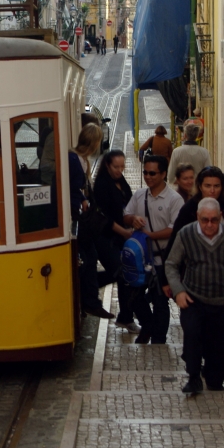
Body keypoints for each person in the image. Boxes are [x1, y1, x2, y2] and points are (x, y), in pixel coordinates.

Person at [166, 197, 224, 394]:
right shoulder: (186, 234)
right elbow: (171, 264)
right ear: (198, 217)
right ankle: (193, 377)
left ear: (221, 217)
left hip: (223, 301)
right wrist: (178, 291)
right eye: (205, 220)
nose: (209, 225)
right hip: (194, 298)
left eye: (214, 220)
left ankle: (213, 377)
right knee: (192, 336)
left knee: (219, 350)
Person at [123, 154, 184, 343]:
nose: (148, 176)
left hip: (162, 258)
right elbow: (125, 215)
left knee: (160, 300)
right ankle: (148, 325)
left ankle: (159, 338)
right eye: (145, 172)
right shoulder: (139, 195)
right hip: (141, 259)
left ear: (163, 174)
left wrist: (148, 235)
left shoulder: (174, 199)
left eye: (152, 173)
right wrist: (133, 220)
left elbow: (175, 229)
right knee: (135, 297)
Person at [92, 150, 137, 333]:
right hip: (105, 237)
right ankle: (84, 285)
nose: (119, 170)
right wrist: (125, 233)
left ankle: (125, 317)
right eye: (116, 167)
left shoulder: (121, 182)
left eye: (122, 167)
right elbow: (105, 219)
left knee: (121, 273)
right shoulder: (102, 185)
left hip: (119, 236)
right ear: (107, 166)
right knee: (120, 273)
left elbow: (128, 204)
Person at [72, 123, 113, 319]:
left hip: (83, 222)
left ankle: (90, 302)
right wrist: (82, 200)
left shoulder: (82, 160)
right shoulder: (74, 159)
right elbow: (70, 188)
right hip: (78, 221)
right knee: (86, 261)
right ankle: (88, 302)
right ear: (94, 142)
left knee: (90, 259)